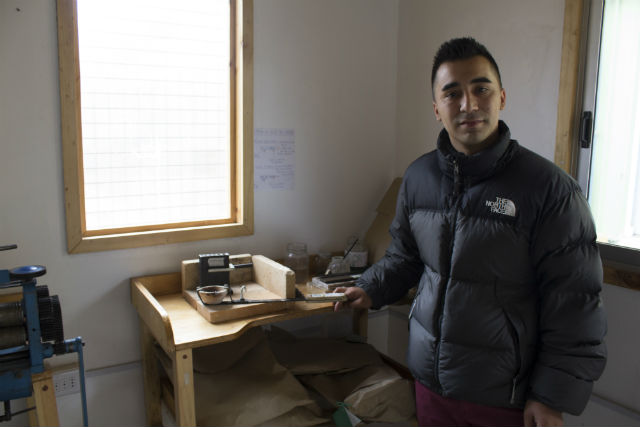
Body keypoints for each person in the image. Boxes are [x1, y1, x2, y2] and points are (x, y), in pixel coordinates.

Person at [334, 37, 607, 427]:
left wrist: (550, 396)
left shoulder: (549, 189)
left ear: (502, 97)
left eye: (481, 89)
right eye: (452, 94)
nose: (469, 104)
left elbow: (575, 302)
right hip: (430, 384)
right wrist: (371, 287)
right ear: (436, 108)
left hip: (504, 395)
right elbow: (406, 257)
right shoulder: (418, 177)